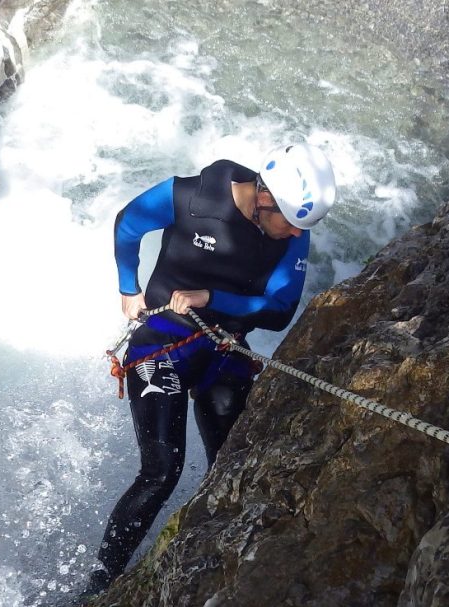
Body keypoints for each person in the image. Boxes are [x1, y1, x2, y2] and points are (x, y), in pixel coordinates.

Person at [85, 143, 336, 595]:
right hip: (161, 346)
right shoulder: (191, 196)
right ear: (264, 197)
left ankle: (201, 560)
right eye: (291, 223)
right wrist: (128, 287)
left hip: (224, 350)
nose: (298, 235)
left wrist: (210, 299)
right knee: (162, 471)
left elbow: (279, 311)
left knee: (233, 465)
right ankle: (99, 585)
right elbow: (129, 222)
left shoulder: (293, 227)